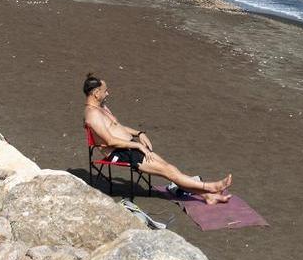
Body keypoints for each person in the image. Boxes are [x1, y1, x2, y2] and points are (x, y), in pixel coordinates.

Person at [82, 73, 233, 204]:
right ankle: (211, 187)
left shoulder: (102, 108)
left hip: (129, 147)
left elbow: (118, 127)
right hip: (120, 153)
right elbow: (109, 141)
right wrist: (137, 146)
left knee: (170, 168)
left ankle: (208, 196)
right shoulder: (92, 115)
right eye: (105, 90)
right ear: (96, 93)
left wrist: (139, 133)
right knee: (168, 171)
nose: (108, 93)